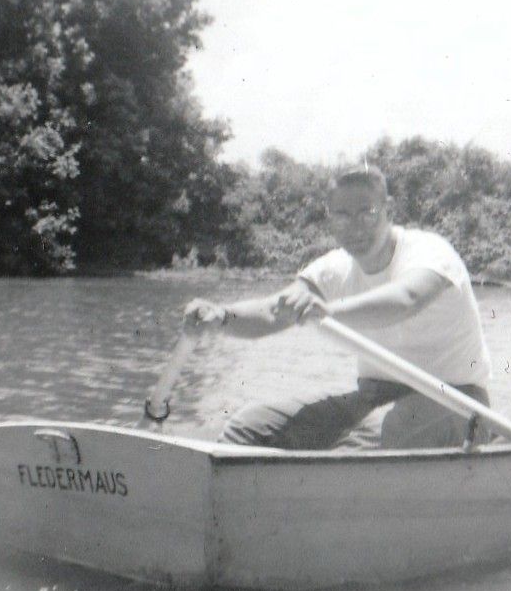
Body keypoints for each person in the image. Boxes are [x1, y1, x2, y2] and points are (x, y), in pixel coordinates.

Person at [183, 167, 491, 451]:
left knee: (358, 444)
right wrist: (221, 316)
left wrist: (327, 311)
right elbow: (272, 311)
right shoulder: (334, 267)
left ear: (389, 211)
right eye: (343, 215)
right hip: (373, 397)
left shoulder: (430, 251)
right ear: (331, 219)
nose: (356, 227)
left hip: (455, 400)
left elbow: (405, 299)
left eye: (367, 213)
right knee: (249, 427)